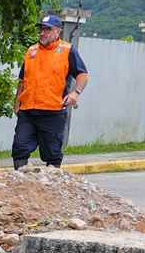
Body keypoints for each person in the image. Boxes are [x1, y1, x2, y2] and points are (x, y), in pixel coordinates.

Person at [12, 14, 90, 169]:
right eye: (42, 29)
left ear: (58, 32)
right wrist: (16, 103)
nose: (43, 33)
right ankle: (21, 181)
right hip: (27, 110)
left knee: (52, 153)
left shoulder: (68, 51)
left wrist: (75, 93)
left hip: (52, 111)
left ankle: (52, 185)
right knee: (20, 147)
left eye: (48, 29)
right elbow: (22, 80)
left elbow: (83, 75)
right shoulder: (31, 51)